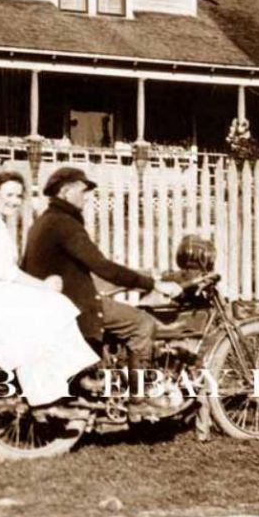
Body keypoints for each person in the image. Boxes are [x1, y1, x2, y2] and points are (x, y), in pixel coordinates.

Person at [22, 167, 182, 420]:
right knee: (142, 324)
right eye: (83, 191)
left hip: (53, 304)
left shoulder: (42, 223)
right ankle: (138, 401)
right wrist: (152, 284)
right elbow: (102, 266)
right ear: (66, 191)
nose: (86, 197)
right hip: (75, 307)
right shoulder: (65, 224)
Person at [0, 170, 98, 411]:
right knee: (55, 308)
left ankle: (63, 378)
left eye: (18, 196)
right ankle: (59, 385)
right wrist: (43, 286)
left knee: (47, 312)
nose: (14, 200)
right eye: (8, 194)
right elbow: (6, 272)